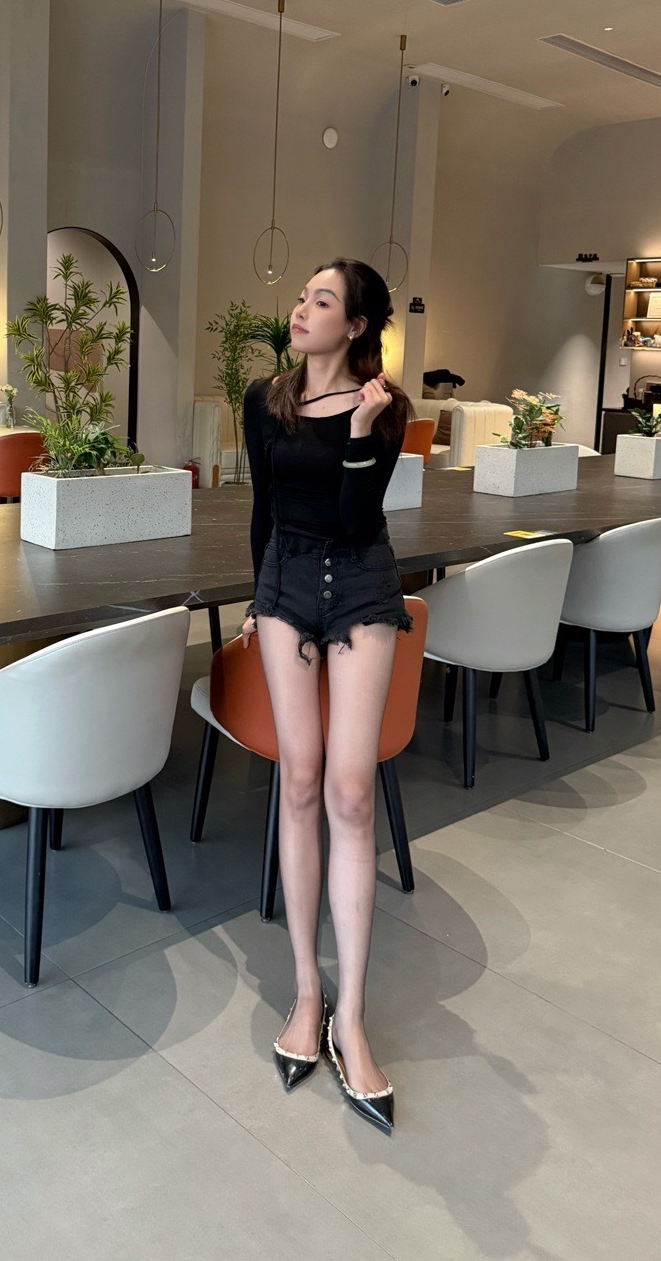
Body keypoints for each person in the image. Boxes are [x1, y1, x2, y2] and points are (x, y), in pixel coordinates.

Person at [241, 257, 412, 1133]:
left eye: (322, 300)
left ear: (356, 325)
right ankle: (308, 992)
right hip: (285, 585)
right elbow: (265, 509)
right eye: (303, 297)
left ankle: (353, 1017)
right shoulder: (264, 399)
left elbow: (354, 518)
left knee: (351, 791)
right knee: (299, 780)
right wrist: (255, 597)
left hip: (361, 580)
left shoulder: (386, 407)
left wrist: (361, 432)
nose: (302, 310)